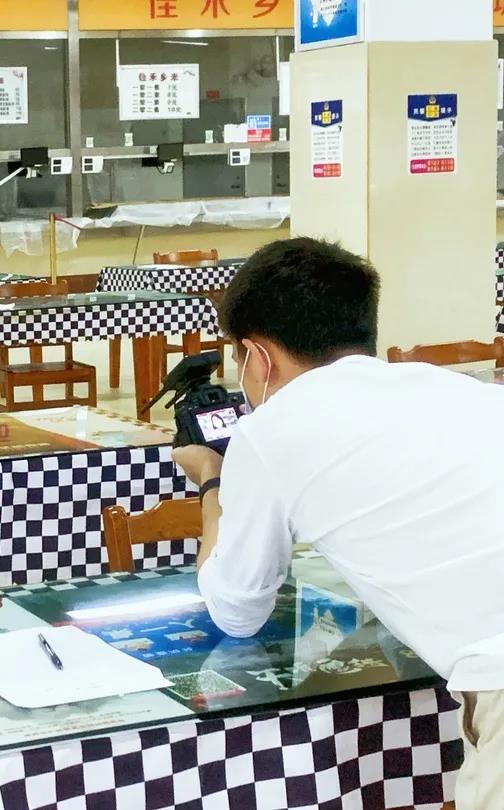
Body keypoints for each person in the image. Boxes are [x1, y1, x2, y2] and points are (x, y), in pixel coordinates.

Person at [170, 237, 504, 808]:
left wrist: (211, 481)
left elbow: (236, 609)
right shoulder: (459, 389)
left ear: (257, 357)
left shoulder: (270, 432)